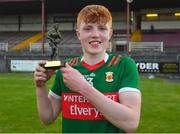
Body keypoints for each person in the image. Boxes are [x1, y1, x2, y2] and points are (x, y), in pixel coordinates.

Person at [34, 4, 141, 133]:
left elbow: (131, 123)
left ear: (110, 33)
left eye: (102, 28)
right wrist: (40, 86)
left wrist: (82, 87)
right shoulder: (67, 69)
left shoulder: (124, 65)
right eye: (88, 29)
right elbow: (47, 117)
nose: (95, 34)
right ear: (78, 34)